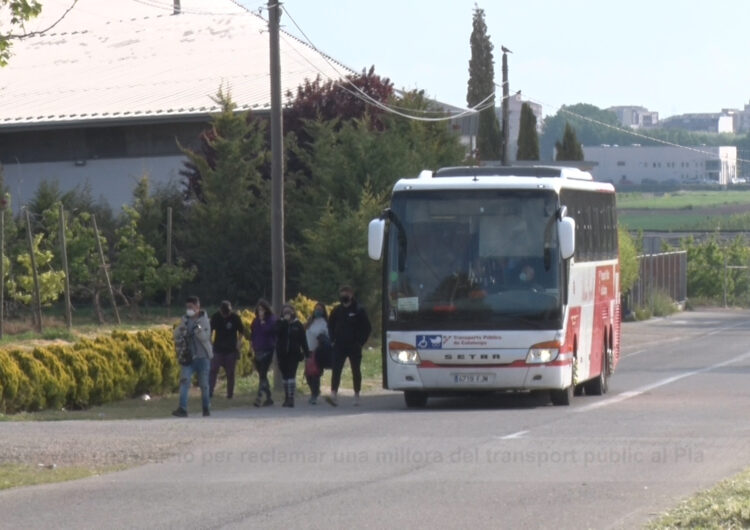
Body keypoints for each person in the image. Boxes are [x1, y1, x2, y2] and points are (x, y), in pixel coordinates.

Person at [326, 285, 371, 407]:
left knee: (355, 370)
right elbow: (330, 325)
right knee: (336, 369)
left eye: (346, 293)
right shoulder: (336, 310)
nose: (344, 296)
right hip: (339, 345)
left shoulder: (359, 310)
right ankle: (333, 393)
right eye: (342, 293)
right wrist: (332, 340)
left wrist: (360, 342)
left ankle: (356, 395)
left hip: (354, 346)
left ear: (351, 295)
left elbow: (367, 328)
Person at [172, 296, 213, 418]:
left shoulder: (205, 321)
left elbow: (205, 338)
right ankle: (182, 408)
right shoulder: (185, 320)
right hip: (188, 357)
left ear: (197, 307)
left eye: (191, 307)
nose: (189, 310)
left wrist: (197, 330)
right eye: (187, 307)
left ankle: (206, 408)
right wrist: (181, 329)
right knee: (184, 382)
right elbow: (175, 335)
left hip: (203, 357)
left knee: (204, 385)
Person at [209, 300, 247, 400]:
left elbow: (242, 331)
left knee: (230, 373)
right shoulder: (216, 317)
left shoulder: (235, 318)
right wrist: (210, 343)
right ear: (220, 311)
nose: (225, 315)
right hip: (217, 349)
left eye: (227, 313)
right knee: (213, 370)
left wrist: (239, 342)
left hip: (231, 350)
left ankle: (230, 394)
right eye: (224, 313)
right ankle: (210, 391)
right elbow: (210, 330)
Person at [274, 304, 309, 407]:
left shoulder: (298, 325)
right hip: (282, 354)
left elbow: (303, 340)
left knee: (291, 375)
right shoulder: (279, 323)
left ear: (293, 313)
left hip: (294, 354)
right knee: (285, 377)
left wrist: (306, 352)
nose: (287, 314)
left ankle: (291, 398)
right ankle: (286, 397)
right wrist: (284, 322)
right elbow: (277, 333)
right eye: (285, 312)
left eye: (289, 312)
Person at [250, 299, 276, 407]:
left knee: (263, 372)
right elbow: (253, 334)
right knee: (262, 374)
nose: (260, 312)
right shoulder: (255, 321)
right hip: (258, 349)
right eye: (259, 309)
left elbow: (268, 331)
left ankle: (259, 397)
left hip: (268, 349)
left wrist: (263, 322)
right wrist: (251, 346)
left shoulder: (271, 319)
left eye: (262, 309)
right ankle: (269, 397)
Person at [305, 302, 330, 405]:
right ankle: (314, 391)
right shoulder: (310, 321)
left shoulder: (325, 323)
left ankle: (314, 395)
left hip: (318, 351)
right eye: (316, 309)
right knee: (308, 375)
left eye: (320, 309)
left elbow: (328, 338)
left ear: (323, 311)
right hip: (308, 350)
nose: (317, 311)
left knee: (315, 373)